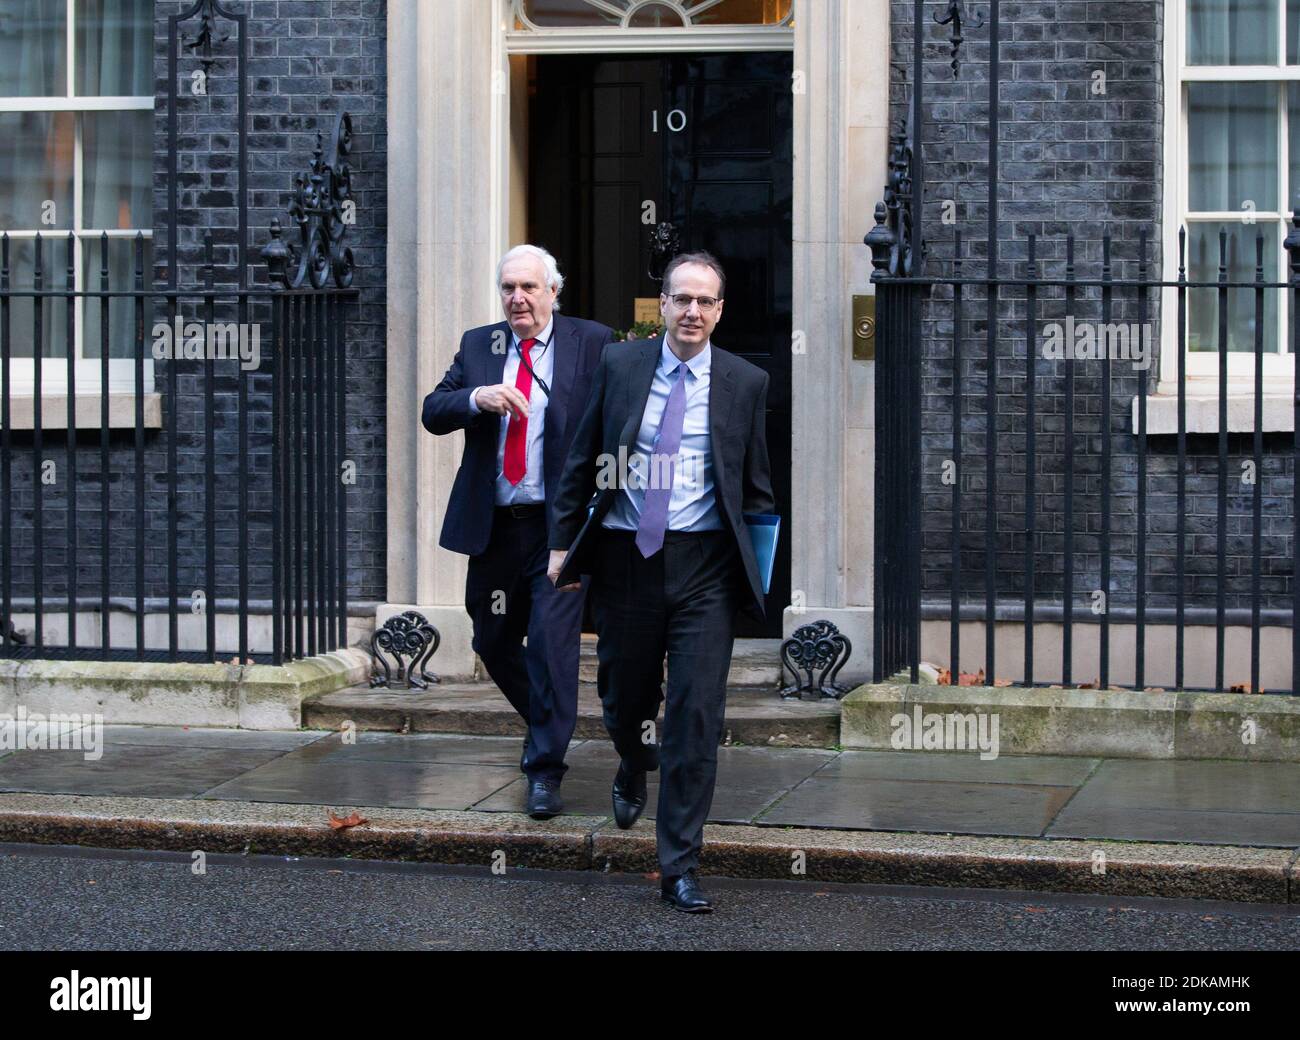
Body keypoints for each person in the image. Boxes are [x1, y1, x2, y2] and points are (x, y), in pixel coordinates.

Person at [547, 252, 774, 912]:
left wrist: (754, 575)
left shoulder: (746, 382)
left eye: (705, 302)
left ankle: (679, 863)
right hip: (625, 561)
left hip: (706, 570)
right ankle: (630, 755)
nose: (693, 312)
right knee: (623, 696)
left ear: (720, 310)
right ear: (664, 305)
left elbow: (756, 490)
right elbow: (583, 457)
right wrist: (562, 544)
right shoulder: (621, 366)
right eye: (681, 300)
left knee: (696, 717)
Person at [423, 245, 614, 819]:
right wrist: (476, 398)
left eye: (529, 287)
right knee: (493, 640)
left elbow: (617, 418)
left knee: (554, 648)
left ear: (554, 291)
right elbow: (435, 410)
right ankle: (550, 725)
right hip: (497, 526)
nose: (517, 298)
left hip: (559, 528)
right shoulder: (480, 344)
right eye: (508, 287)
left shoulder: (592, 342)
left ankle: (544, 770)